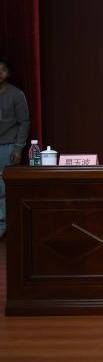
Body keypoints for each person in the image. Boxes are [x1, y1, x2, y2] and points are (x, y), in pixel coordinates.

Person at [0, 55, 31, 238]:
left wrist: (18, 148)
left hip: (8, 147)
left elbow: (24, 122)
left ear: (8, 73)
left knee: (4, 188)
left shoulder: (16, 94)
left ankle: (3, 226)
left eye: (2, 69)